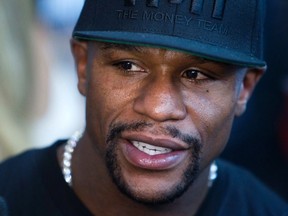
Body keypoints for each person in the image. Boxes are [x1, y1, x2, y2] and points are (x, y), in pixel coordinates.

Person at [0, 0, 287, 215]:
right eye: (128, 66)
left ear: (244, 89)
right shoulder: (10, 196)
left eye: (196, 75)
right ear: (83, 66)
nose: (159, 108)